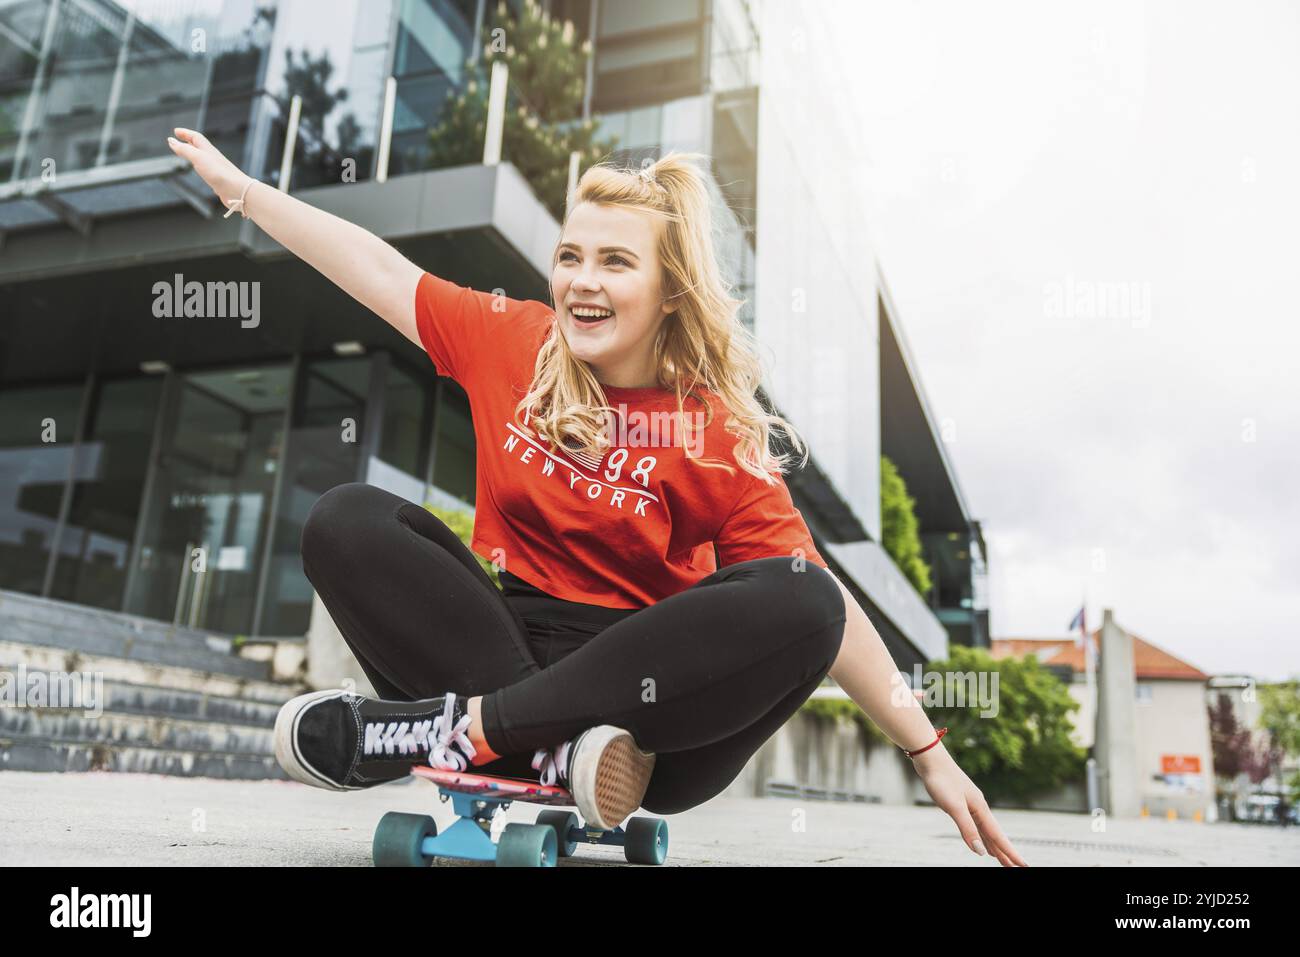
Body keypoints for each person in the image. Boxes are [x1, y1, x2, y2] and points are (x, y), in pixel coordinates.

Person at [167, 128, 1027, 864]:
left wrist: (929, 751)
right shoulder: (513, 341)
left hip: (648, 720)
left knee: (807, 594)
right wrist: (249, 194)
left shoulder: (711, 428)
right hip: (502, 643)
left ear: (668, 292)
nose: (582, 279)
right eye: (570, 256)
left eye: (615, 261)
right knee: (345, 518)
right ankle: (518, 736)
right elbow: (375, 269)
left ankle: (460, 732)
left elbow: (821, 611)